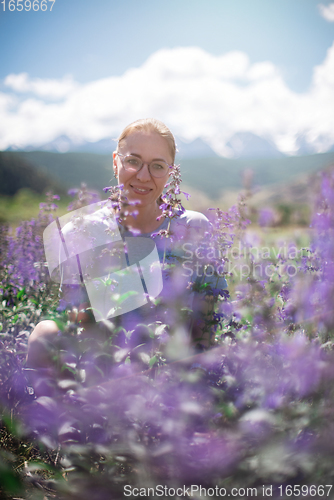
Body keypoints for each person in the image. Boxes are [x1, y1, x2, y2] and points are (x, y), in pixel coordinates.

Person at [26, 118, 227, 384]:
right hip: (104, 369)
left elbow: (206, 326)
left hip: (173, 372)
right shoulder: (81, 231)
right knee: (44, 334)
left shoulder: (193, 227)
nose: (144, 176)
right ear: (115, 161)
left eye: (157, 166)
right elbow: (77, 321)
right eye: (133, 161)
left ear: (170, 172)